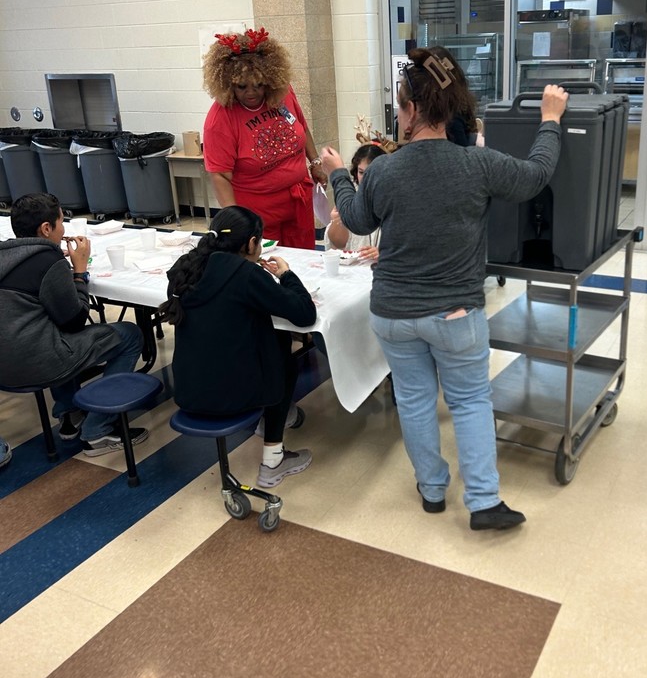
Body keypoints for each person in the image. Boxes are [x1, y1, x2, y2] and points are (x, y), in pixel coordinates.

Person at [321, 48, 568, 531]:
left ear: (411, 111)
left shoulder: (385, 170)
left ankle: (432, 490)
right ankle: (482, 502)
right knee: (470, 400)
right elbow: (537, 175)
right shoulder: (476, 165)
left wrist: (335, 173)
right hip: (455, 314)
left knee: (414, 400)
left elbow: (354, 219)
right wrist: (550, 119)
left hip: (392, 313)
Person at [163, 206, 317, 489]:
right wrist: (286, 275)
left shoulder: (186, 268)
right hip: (231, 395)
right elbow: (304, 313)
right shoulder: (245, 274)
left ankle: (279, 416)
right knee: (281, 349)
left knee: (248, 343)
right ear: (250, 243)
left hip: (187, 389)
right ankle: (273, 461)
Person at [0, 193, 147, 456]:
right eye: (60, 222)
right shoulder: (47, 261)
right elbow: (75, 320)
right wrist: (79, 272)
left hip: (4, 368)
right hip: (37, 363)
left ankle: (69, 413)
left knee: (46, 329)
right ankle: (98, 429)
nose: (63, 229)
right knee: (130, 335)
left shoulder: (7, 255)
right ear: (46, 229)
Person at [201, 27, 327, 251]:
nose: (252, 93)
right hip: (258, 211)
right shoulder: (220, 118)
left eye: (259, 85)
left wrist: (315, 162)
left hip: (299, 201)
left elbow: (302, 127)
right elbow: (220, 176)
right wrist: (237, 222)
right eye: (242, 87)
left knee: (305, 261)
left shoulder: (282, 93)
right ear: (229, 83)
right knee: (267, 266)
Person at [324, 143, 385, 259]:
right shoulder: (350, 196)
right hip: (355, 267)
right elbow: (338, 244)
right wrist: (338, 221)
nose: (366, 178)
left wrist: (384, 252)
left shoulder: (394, 197)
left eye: (371, 172)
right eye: (361, 172)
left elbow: (410, 244)